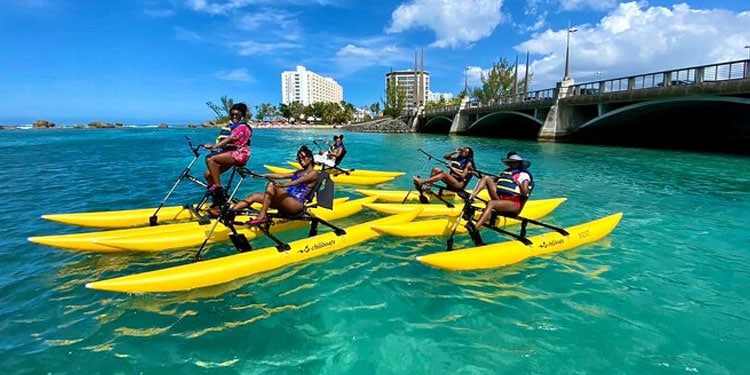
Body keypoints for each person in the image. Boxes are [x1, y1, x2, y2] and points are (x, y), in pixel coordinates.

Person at [225, 145, 319, 225]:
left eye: (303, 157)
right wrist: (261, 175)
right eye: (299, 158)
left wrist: (283, 185)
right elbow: (281, 176)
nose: (300, 160)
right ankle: (231, 212)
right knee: (254, 196)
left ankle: (262, 216)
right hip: (286, 201)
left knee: (271, 185)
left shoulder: (313, 173)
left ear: (310, 158)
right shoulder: (299, 172)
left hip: (296, 205)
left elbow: (298, 182)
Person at [468, 151, 533, 230]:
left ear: (519, 163)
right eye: (510, 163)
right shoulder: (505, 172)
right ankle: (472, 196)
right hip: (500, 199)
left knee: (491, 203)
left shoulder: (524, 175)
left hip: (513, 203)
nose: (511, 164)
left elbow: (525, 193)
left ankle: (475, 228)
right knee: (486, 178)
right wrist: (474, 172)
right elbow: (489, 179)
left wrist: (519, 184)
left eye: (514, 163)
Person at [203, 103, 253, 194]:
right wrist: (216, 148)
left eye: (237, 114)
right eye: (232, 114)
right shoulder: (232, 126)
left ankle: (218, 187)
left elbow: (230, 138)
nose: (234, 116)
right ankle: (219, 199)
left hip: (240, 155)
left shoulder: (242, 127)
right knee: (208, 175)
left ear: (242, 115)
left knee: (210, 158)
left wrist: (214, 146)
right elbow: (229, 142)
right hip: (230, 153)